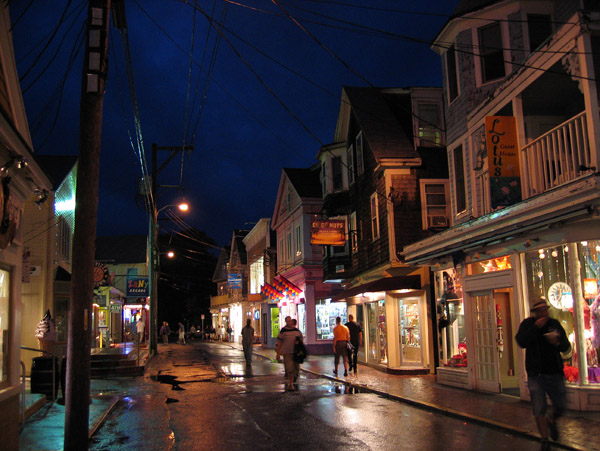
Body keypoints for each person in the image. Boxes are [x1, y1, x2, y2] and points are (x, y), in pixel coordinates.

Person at [516, 298, 571, 451]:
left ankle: (552, 419)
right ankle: (545, 440)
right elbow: (521, 341)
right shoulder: (528, 324)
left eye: (545, 310)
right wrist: (535, 328)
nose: (543, 313)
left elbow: (566, 347)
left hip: (554, 372)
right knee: (539, 407)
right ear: (535, 313)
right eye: (540, 311)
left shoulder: (554, 324)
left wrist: (558, 343)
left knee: (560, 403)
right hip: (536, 374)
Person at [276, 316, 303, 391]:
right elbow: (279, 342)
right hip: (287, 352)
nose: (289, 322)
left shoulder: (296, 330)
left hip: (295, 352)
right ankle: (291, 384)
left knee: (296, 368)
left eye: (290, 321)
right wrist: (278, 353)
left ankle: (291, 381)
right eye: (288, 321)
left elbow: (301, 339)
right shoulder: (283, 331)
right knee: (290, 368)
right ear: (286, 322)